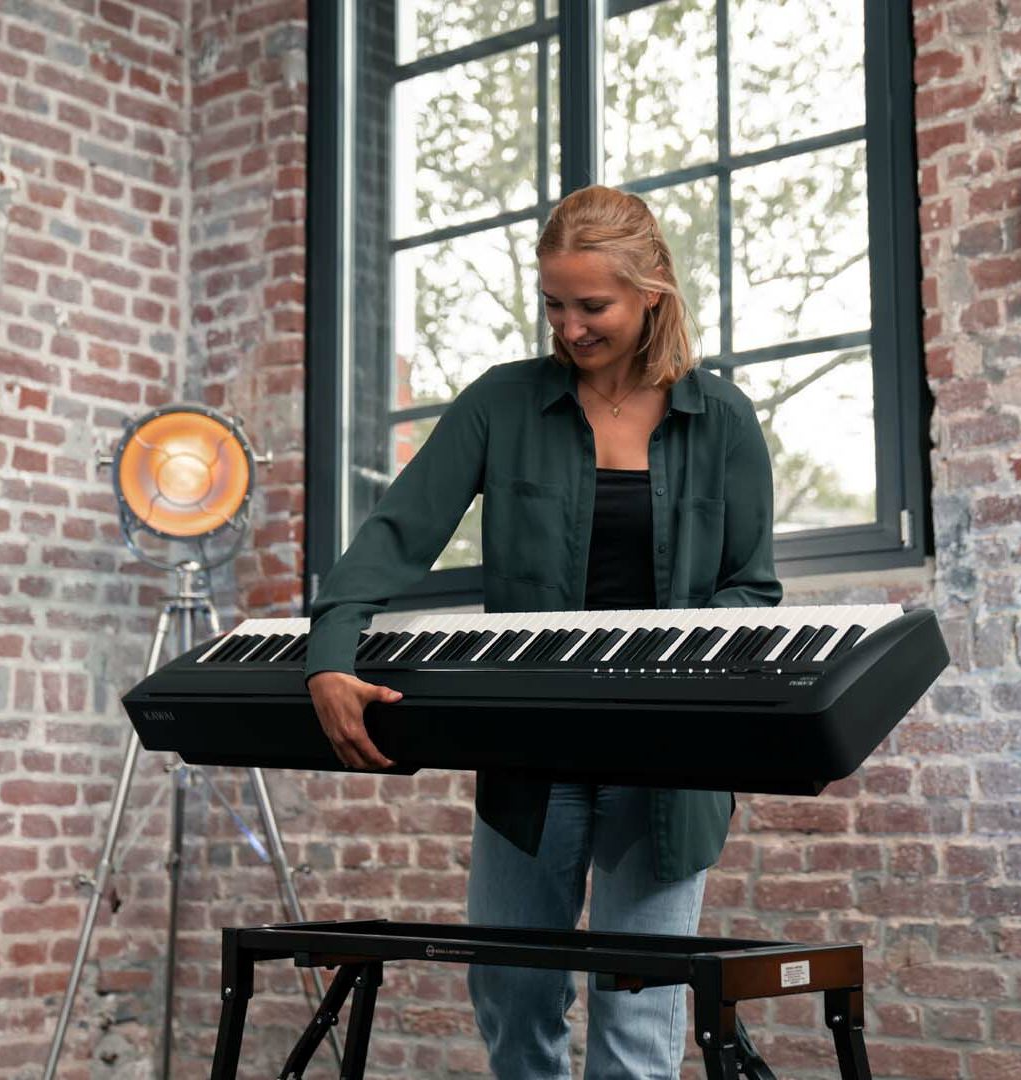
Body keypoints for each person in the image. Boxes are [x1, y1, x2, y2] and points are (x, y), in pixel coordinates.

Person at [302, 184, 781, 1079]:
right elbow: (394, 537)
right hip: (531, 759)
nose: (570, 328)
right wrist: (331, 652)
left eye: (592, 305)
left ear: (652, 294)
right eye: (554, 305)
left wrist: (679, 643)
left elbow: (752, 588)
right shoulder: (501, 404)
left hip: (668, 759)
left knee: (637, 1029)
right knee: (516, 1004)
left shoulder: (724, 421)